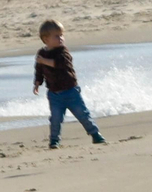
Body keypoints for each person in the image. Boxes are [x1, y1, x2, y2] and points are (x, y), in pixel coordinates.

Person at [32, 19, 105, 149]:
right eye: (56, 36)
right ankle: (54, 140)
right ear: (46, 39)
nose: (60, 38)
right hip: (54, 94)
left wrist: (43, 61)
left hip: (71, 91)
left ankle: (95, 134)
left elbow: (61, 64)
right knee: (55, 119)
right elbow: (39, 69)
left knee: (83, 114)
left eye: (61, 35)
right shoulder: (41, 54)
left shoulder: (63, 51)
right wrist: (37, 82)